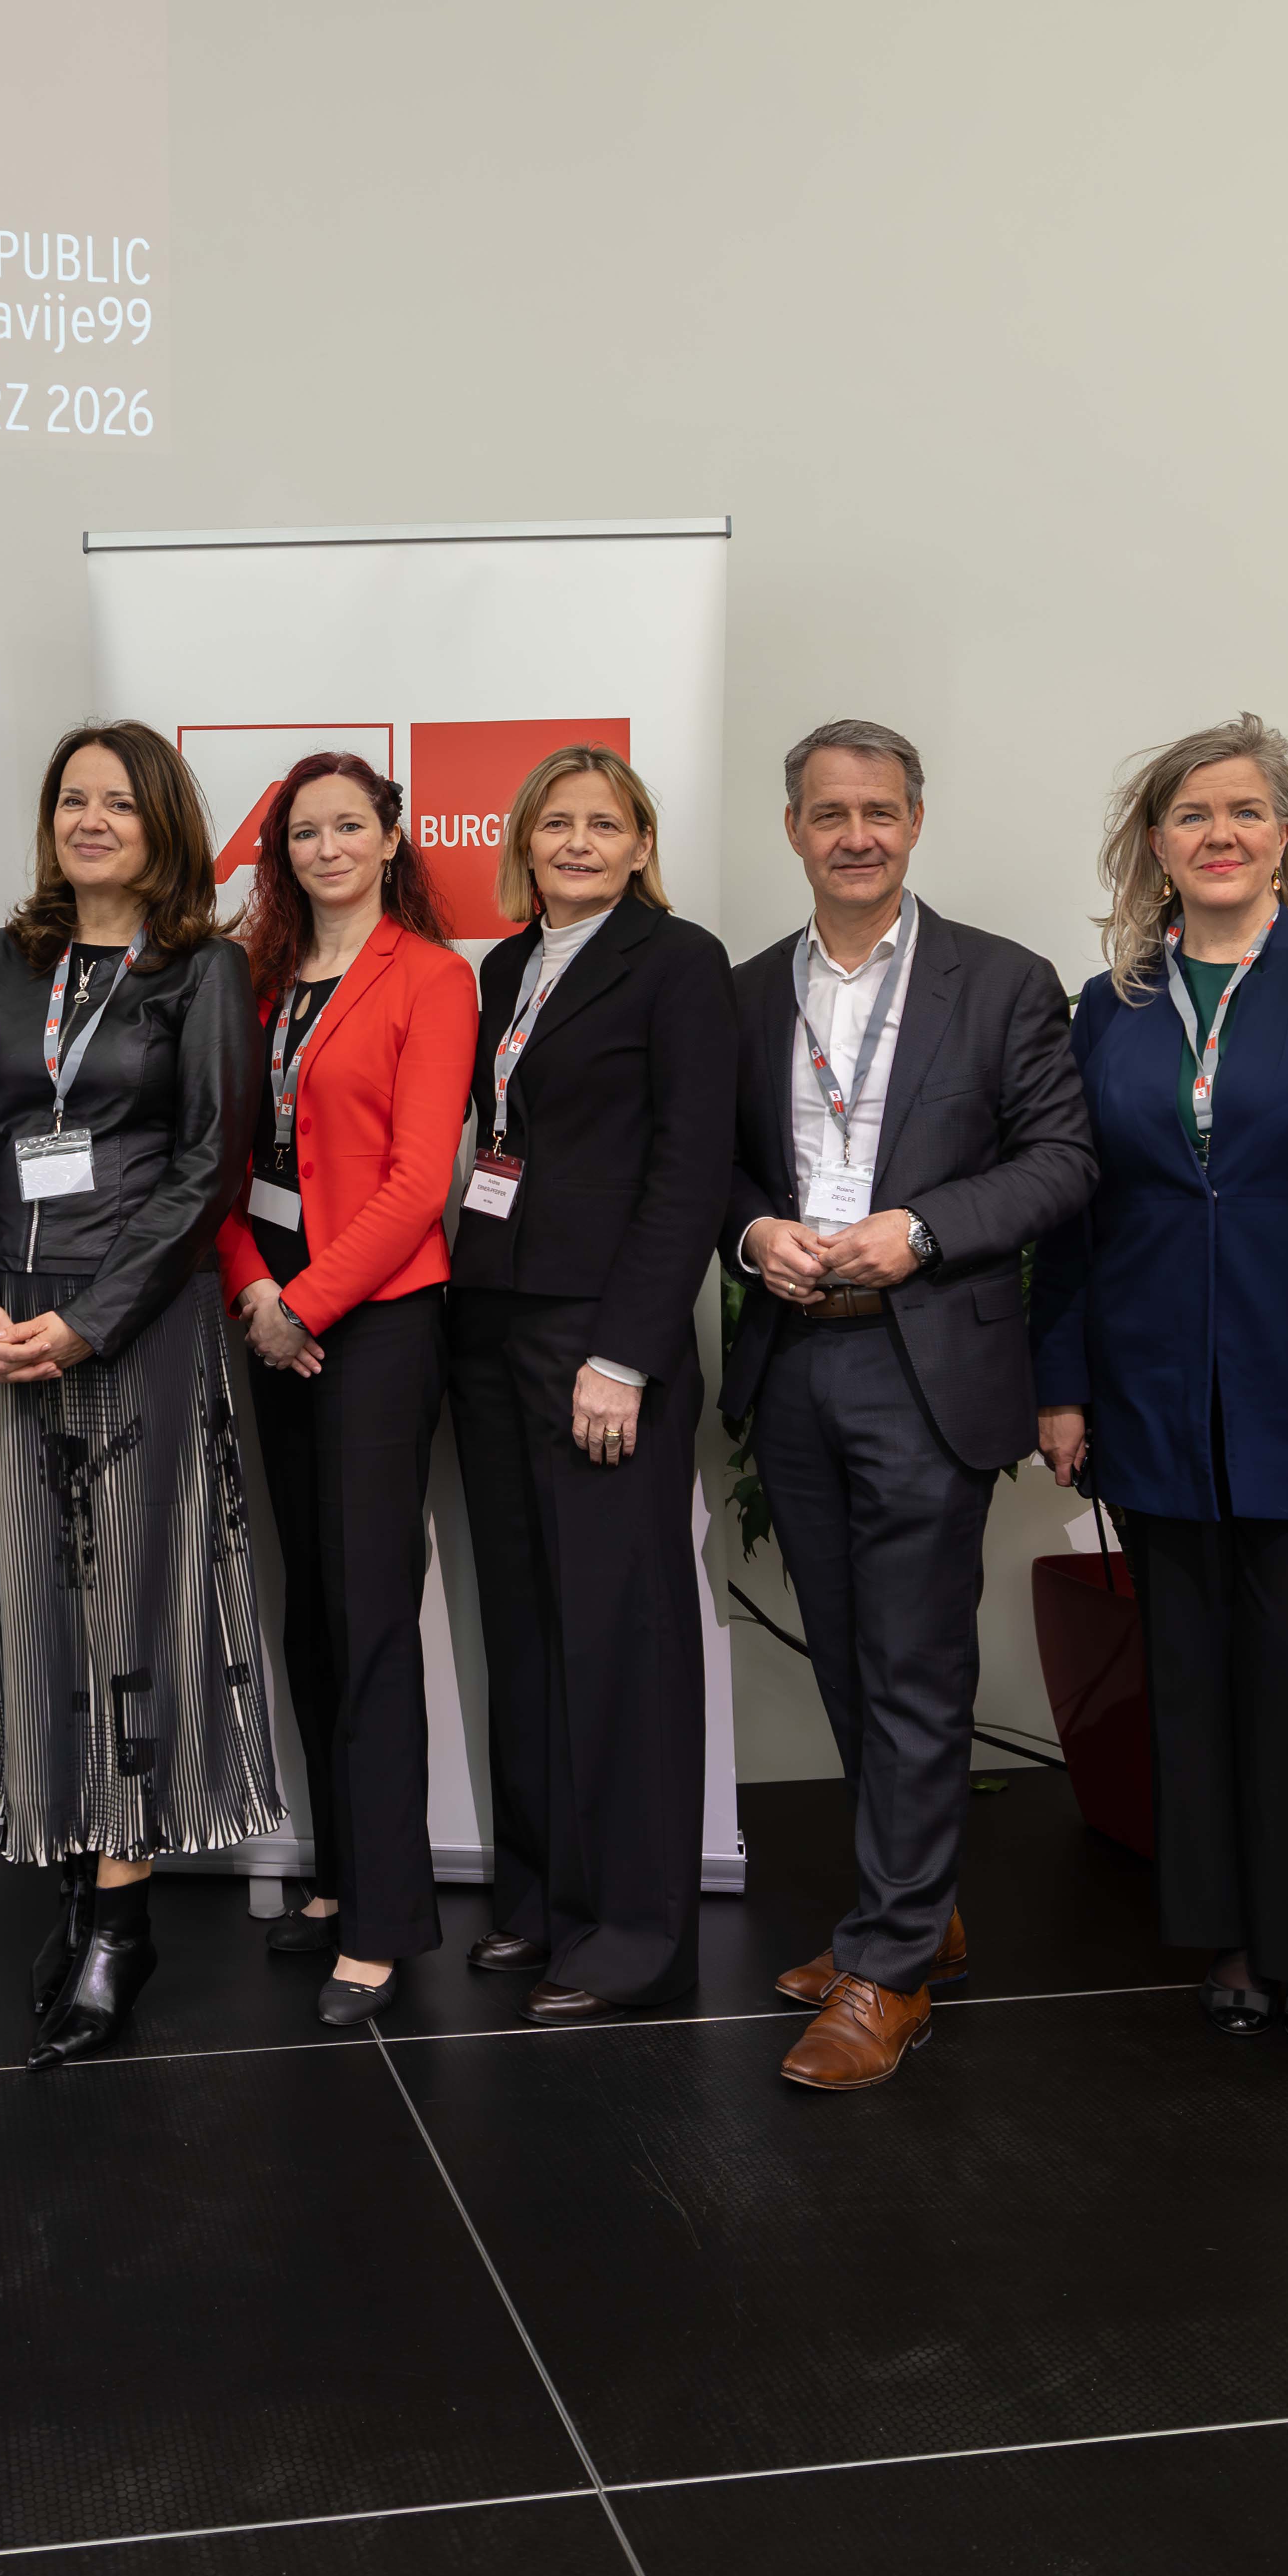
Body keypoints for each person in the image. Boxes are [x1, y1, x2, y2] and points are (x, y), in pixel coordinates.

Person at [722, 722, 1096, 2092]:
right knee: (842, 1650)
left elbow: (1061, 1162)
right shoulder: (751, 991)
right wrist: (756, 1232)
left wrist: (922, 1231)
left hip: (927, 1356)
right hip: (796, 1352)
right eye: (831, 812)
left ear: (917, 822)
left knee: (919, 1662)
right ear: (794, 830)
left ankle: (888, 1970)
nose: (857, 833)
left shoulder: (1000, 982)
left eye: (880, 810)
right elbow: (713, 1167)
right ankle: (913, 1901)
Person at [0, 722, 289, 2065]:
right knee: (32, 1609)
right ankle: (76, 1878)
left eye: (116, 803)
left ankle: (121, 1924)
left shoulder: (202, 972)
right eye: (70, 799)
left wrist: (83, 1322)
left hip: (133, 1331)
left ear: (162, 826)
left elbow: (206, 1169)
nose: (89, 820)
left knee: (128, 1610)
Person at [1029, 720, 1288, 2049]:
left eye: (1246, 811)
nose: (1220, 834)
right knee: (1190, 1671)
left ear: (1286, 837)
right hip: (1153, 1383)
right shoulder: (1108, 1003)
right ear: (1156, 847)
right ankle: (1234, 1929)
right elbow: (1073, 1204)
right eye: (1192, 815)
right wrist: (1060, 1382)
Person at [444, 745, 738, 2022]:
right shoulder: (506, 967)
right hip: (493, 1316)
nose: (575, 841)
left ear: (639, 842)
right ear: (524, 842)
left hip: (599, 1337)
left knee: (621, 1631)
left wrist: (624, 1350)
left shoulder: (677, 962)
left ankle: (631, 1932)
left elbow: (689, 1170)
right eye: (554, 822)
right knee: (526, 1621)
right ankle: (543, 1897)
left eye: (600, 823)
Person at [216, 754, 479, 2027]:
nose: (324, 848)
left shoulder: (430, 976)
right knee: (312, 1602)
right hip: (271, 1313)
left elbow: (422, 1175)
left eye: (346, 827)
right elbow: (221, 1160)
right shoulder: (257, 981)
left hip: (374, 1324)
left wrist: (307, 1303)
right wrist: (254, 1294)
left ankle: (386, 1919)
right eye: (303, 831)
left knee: (371, 1609)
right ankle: (336, 1874)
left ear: (390, 838)